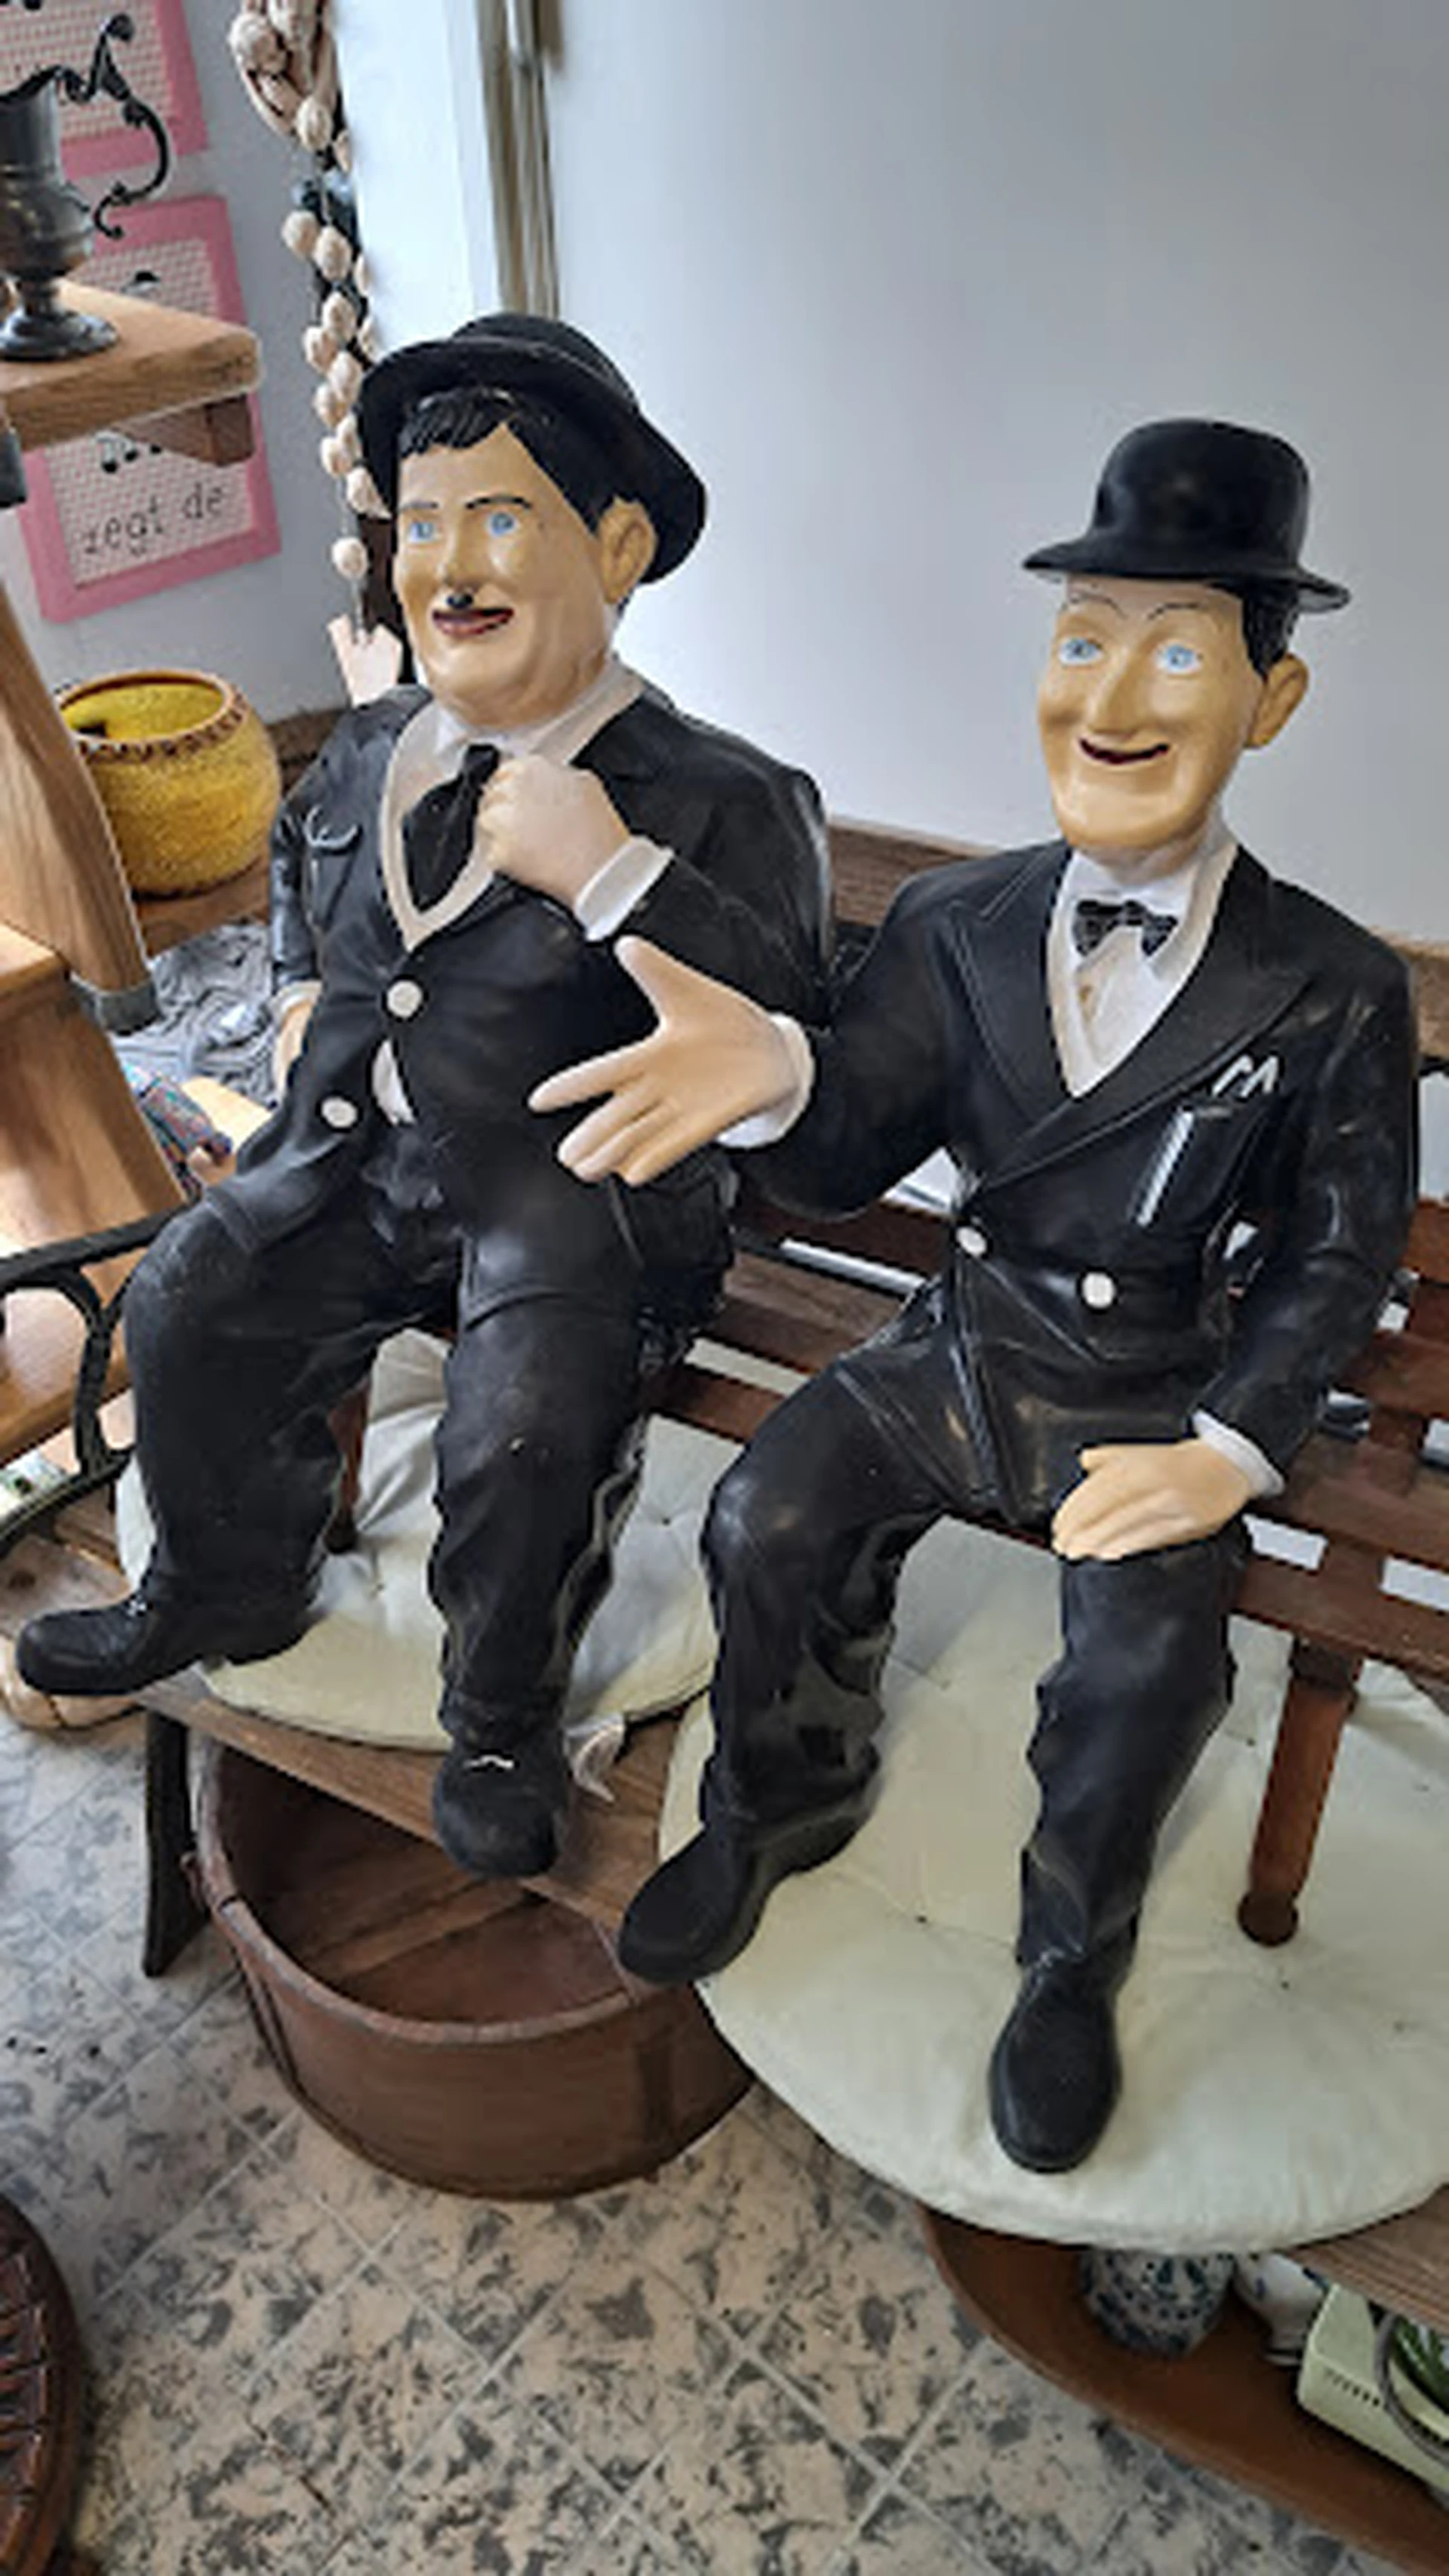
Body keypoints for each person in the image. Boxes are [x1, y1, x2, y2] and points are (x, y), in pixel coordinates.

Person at [530, 418, 1418, 2171]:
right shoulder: (956, 922)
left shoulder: (1330, 986)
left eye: (1180, 652)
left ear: (1273, 698)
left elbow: (1340, 1249)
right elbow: (852, 1135)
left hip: (1153, 1390)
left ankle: (1070, 1954)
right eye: (1086, 638)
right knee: (772, 1515)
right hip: (960, 1347)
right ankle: (780, 1796)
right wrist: (783, 1069)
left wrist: (1233, 1447)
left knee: (1145, 1669)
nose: (1116, 695)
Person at [17, 312, 831, 1884]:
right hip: (353, 1168)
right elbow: (295, 864)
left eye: (500, 518)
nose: (448, 564)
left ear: (617, 547)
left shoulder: (725, 798)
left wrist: (616, 872)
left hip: (574, 1200)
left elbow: (802, 1024)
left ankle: (503, 1711)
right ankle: (224, 1583)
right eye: (422, 521)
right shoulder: (377, 742)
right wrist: (295, 997)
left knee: (523, 1428)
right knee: (189, 1298)